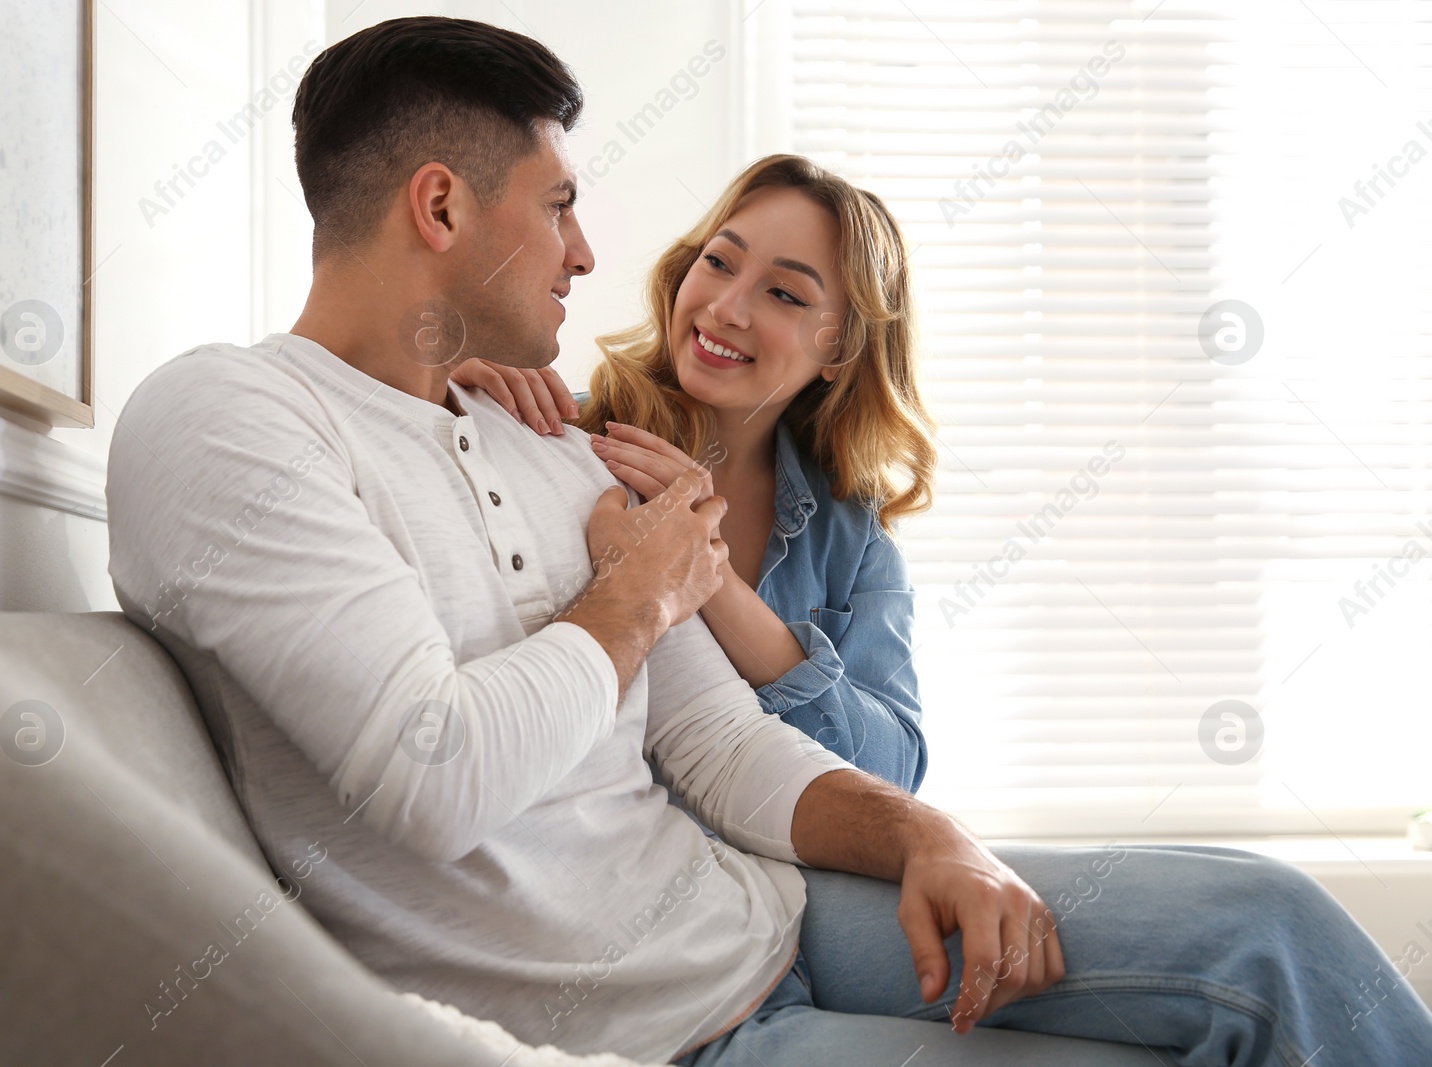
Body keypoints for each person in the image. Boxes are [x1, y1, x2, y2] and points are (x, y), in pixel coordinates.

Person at [105, 15, 1432, 1066]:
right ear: (443, 210)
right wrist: (636, 593)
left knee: (1265, 924)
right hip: (658, 1020)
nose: (588, 255)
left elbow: (723, 739)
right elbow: (435, 771)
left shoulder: (543, 438)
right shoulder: (231, 419)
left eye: (785, 290)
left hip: (766, 914)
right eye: (559, 205)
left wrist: (930, 837)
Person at [451, 153, 934, 793]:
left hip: (783, 870)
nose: (726, 309)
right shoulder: (562, 435)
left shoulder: (854, 536)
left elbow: (891, 774)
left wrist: (713, 582)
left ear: (839, 350)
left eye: (784, 294)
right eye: (719, 263)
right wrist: (436, 393)